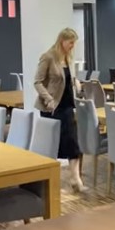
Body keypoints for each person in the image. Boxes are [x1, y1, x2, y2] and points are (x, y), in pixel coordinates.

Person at [34, 28, 86, 191]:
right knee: (51, 146)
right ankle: (47, 181)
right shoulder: (48, 57)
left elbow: (65, 79)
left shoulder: (67, 57)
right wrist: (48, 98)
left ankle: (76, 179)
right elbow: (37, 82)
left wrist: (75, 81)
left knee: (72, 143)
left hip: (67, 107)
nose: (72, 46)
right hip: (52, 109)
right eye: (71, 42)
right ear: (62, 41)